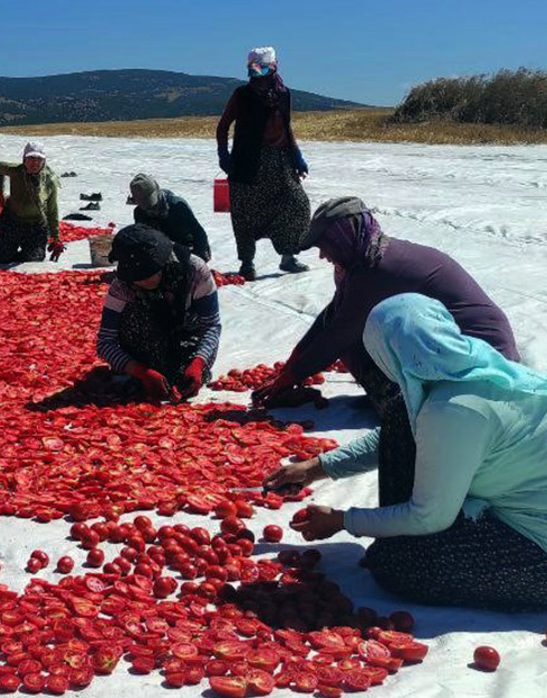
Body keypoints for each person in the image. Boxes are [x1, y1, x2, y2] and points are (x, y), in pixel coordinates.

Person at [267, 294, 547, 610]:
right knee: (401, 415)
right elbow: (404, 436)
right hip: (523, 503)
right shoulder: (477, 367)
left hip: (538, 550)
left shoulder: (453, 411)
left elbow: (428, 517)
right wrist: (317, 467)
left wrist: (344, 520)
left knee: (398, 567)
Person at [254, 197, 519, 507]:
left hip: (479, 357)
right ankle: (399, 400)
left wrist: (291, 377)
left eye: (325, 245)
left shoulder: (379, 268)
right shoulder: (366, 257)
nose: (323, 255)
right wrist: (292, 366)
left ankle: (398, 406)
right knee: (361, 338)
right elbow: (331, 317)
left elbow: (339, 333)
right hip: (451, 347)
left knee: (358, 344)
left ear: (344, 235)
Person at [95, 224, 221, 402]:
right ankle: (145, 372)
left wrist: (198, 363)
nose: (142, 280)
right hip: (142, 345)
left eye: (148, 273)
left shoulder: (195, 271)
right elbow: (105, 342)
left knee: (183, 380)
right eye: (136, 277)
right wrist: (141, 372)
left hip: (184, 337)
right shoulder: (122, 285)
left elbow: (211, 326)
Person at [216, 46, 311, 280]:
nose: (257, 74)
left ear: (274, 68)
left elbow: (286, 125)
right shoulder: (242, 95)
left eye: (262, 68)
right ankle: (247, 263)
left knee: (297, 204)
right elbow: (223, 126)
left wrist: (296, 155)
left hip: (280, 162)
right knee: (244, 213)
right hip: (248, 164)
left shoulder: (283, 94)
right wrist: (223, 154)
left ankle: (288, 257)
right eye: (253, 69)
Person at [0, 142, 63, 263]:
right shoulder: (15, 171)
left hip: (35, 225)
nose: (35, 163)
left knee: (34, 258)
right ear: (24, 159)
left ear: (44, 161)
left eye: (39, 159)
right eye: (31, 158)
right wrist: (0, 194)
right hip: (11, 221)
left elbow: (52, 209)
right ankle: (0, 251)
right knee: (1, 258)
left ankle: (18, 251)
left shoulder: (50, 180)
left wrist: (55, 236)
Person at [128, 173, 211, 261]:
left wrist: (198, 258)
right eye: (142, 203)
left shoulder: (177, 206)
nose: (148, 208)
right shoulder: (139, 213)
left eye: (149, 203)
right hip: (162, 251)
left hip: (187, 248)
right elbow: (143, 241)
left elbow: (199, 234)